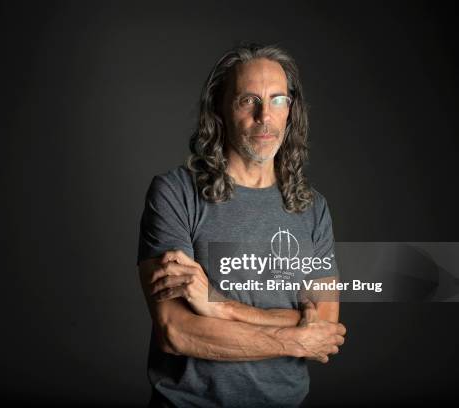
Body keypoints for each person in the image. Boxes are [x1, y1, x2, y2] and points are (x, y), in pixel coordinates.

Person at [136, 42, 347, 408]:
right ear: (220, 108)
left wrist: (219, 308)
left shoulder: (314, 209)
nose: (265, 116)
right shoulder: (175, 194)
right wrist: (294, 336)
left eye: (278, 100)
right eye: (248, 100)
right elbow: (177, 331)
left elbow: (325, 330)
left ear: (290, 110)